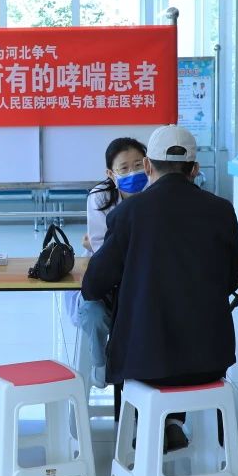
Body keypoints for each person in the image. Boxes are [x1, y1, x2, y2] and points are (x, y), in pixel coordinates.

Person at [82, 125, 238, 452]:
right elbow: (230, 281)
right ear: (194, 169)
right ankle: (172, 424)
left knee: (146, 334)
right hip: (210, 359)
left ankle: (148, 430)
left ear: (147, 166)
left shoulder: (129, 213)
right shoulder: (222, 210)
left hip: (145, 362)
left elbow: (93, 285)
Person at [67, 137, 147, 392]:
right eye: (124, 168)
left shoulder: (156, 192)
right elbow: (103, 249)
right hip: (107, 277)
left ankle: (139, 373)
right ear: (111, 174)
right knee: (93, 312)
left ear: (148, 164)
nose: (133, 173)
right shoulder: (100, 197)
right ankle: (100, 363)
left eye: (138, 165)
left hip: (144, 280)